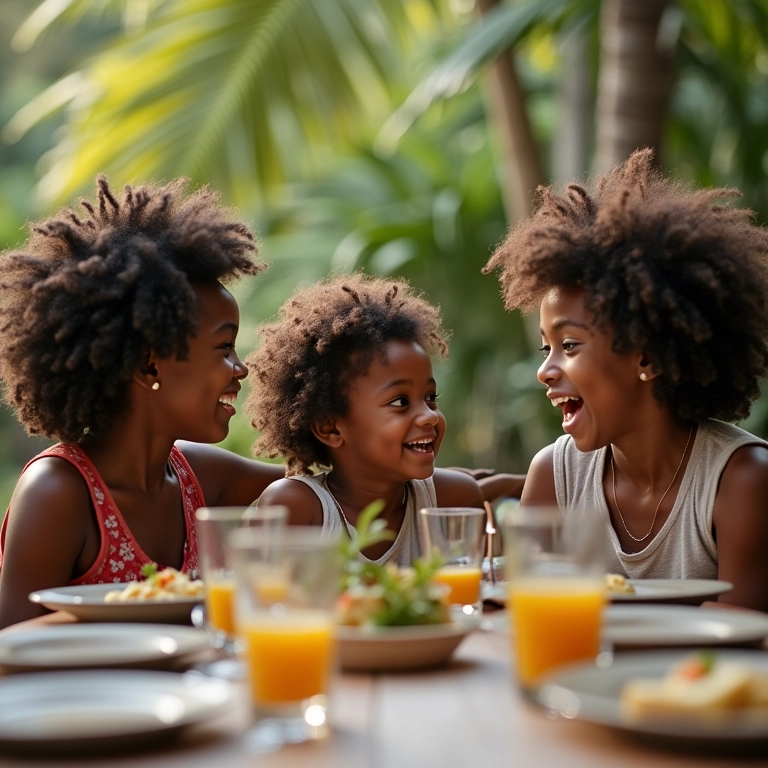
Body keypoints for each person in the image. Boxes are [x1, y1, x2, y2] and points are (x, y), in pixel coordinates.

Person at [483, 148, 768, 612]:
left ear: (648, 356)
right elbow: (524, 619)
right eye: (546, 348)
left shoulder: (741, 481)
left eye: (570, 345)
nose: (545, 370)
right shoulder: (555, 476)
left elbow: (734, 650)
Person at [0, 176, 285, 628]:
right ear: (150, 367)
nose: (241, 368)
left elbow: (337, 479)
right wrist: (136, 608)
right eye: (224, 348)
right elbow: (9, 648)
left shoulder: (199, 475)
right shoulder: (58, 492)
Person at [246, 273, 484, 564]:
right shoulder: (297, 508)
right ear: (330, 427)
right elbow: (269, 606)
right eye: (400, 402)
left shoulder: (454, 501)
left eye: (431, 398)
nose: (429, 417)